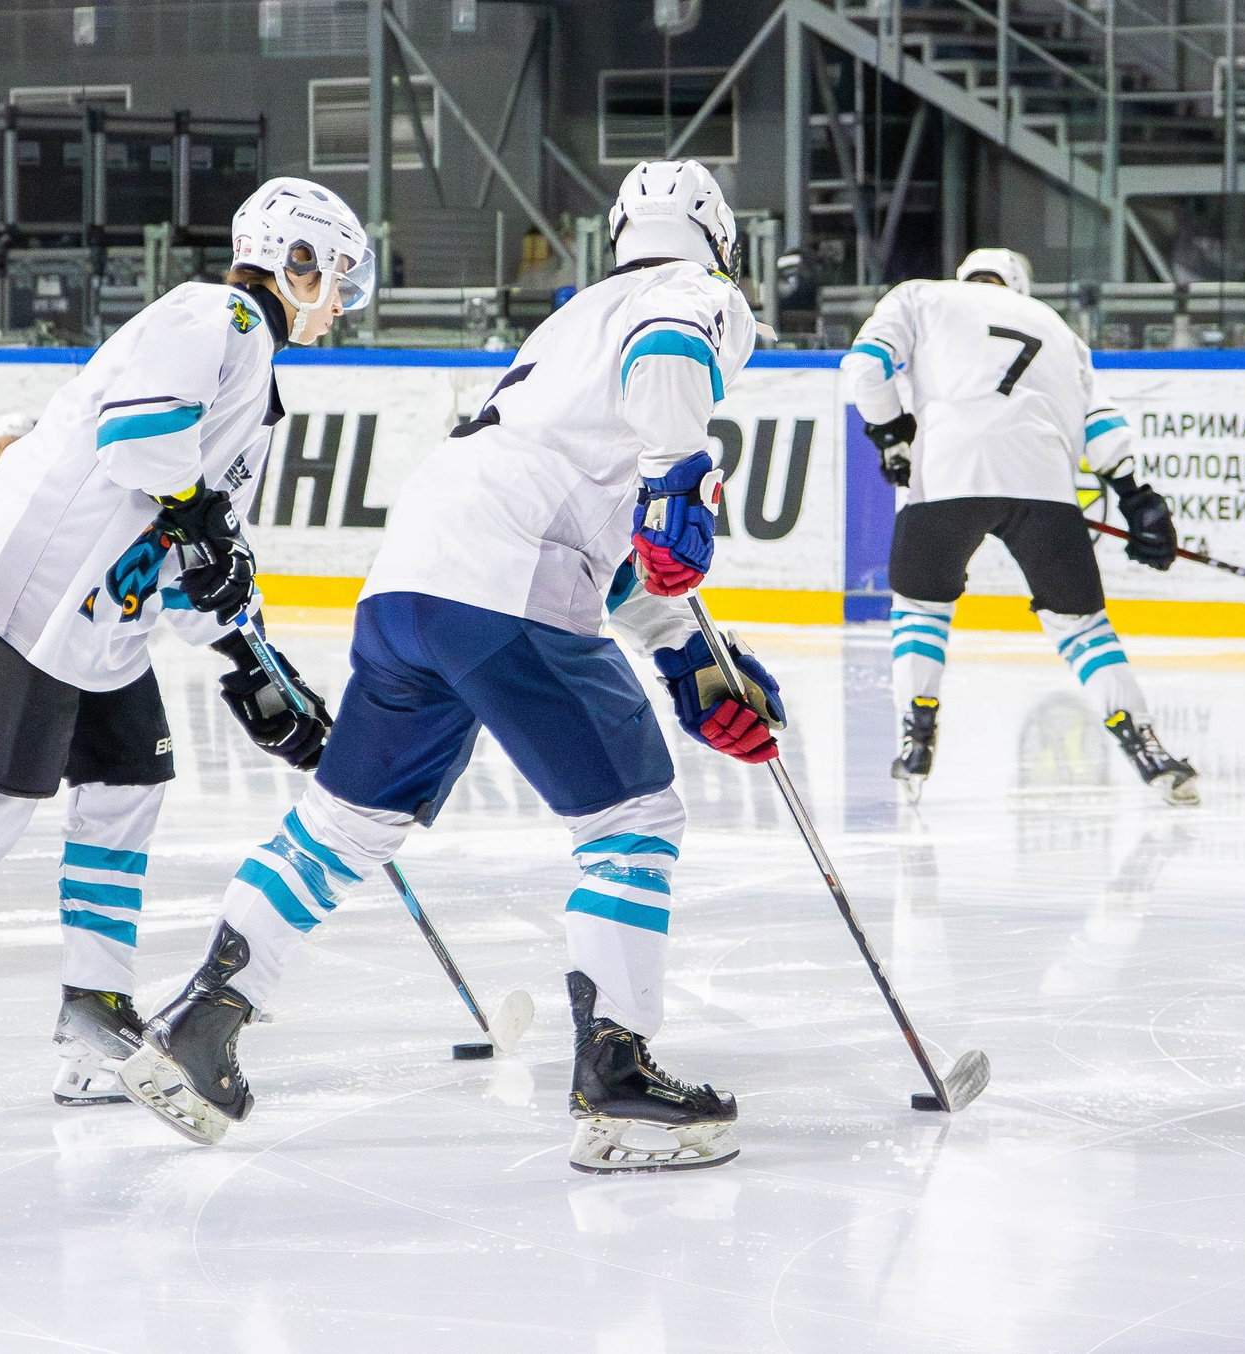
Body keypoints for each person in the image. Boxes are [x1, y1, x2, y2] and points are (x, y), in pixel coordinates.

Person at [117, 159, 782, 1176]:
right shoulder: (694, 296)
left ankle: (198, 1024)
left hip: (409, 584)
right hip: (511, 581)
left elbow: (592, 520)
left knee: (346, 826)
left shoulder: (567, 324)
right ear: (718, 238)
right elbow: (666, 360)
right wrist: (678, 473)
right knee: (633, 819)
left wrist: (689, 651)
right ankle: (617, 1082)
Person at [0, 178, 371, 1110]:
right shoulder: (214, 317)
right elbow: (140, 439)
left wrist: (250, 658)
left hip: (102, 620)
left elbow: (192, 553)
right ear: (297, 261)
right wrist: (201, 520)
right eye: (335, 276)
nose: (339, 301)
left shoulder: (256, 381)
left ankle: (94, 1013)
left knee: (131, 784)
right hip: (39, 585)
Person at [841, 248, 1197, 805]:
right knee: (1082, 627)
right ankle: (1148, 749)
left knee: (922, 608)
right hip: (1045, 486)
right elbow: (1100, 423)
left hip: (946, 474)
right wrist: (1137, 499)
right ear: (1020, 286)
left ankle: (916, 738)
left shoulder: (921, 295)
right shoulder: (1055, 325)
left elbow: (864, 369)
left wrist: (891, 439)